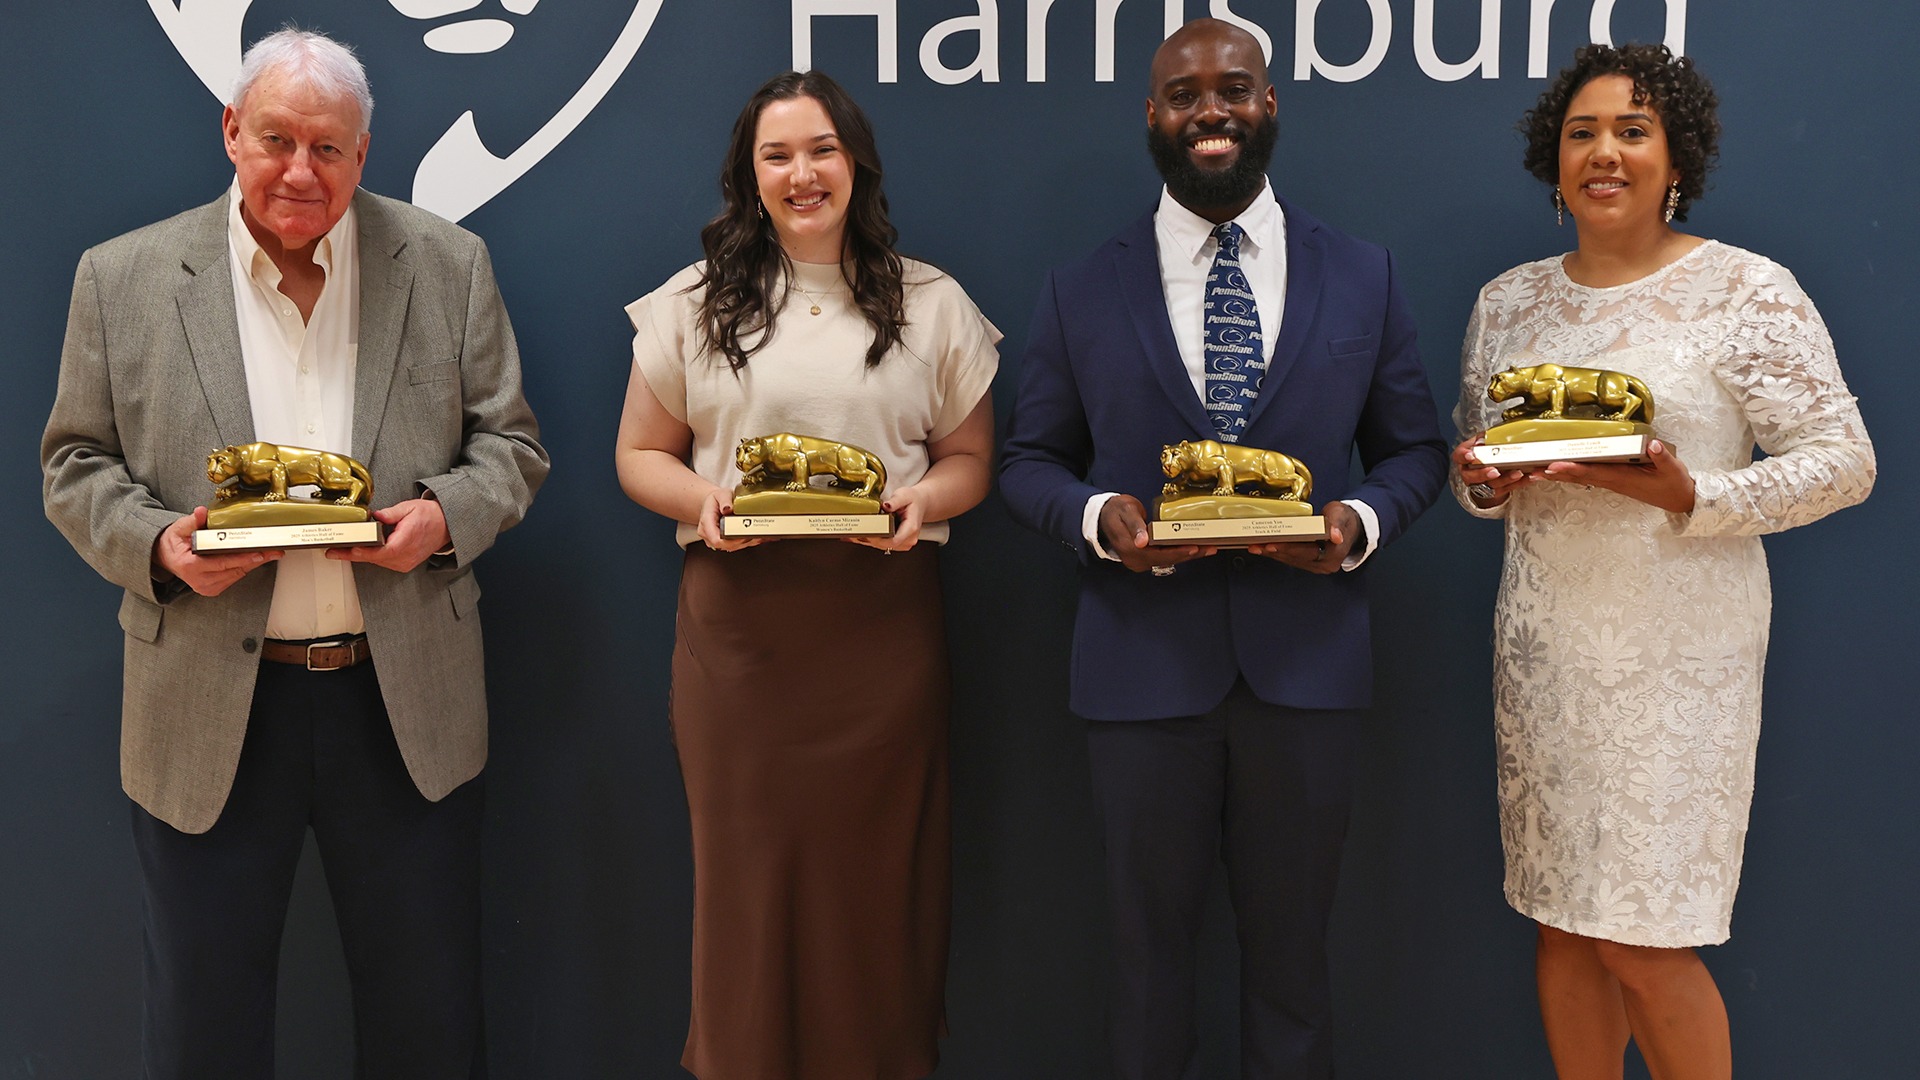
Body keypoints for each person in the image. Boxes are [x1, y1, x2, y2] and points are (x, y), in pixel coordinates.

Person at [40, 29, 547, 1079]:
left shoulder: (448, 265)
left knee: (429, 1022)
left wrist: (445, 519)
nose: (300, 172)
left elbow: (513, 446)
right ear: (232, 131)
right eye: (277, 139)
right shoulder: (122, 276)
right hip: (207, 706)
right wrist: (160, 546)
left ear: (365, 153)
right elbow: (75, 464)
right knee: (202, 1028)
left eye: (329, 148)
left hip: (403, 700)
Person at [999, 19, 1447, 1078]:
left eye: (1234, 89)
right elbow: (1027, 463)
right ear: (1151, 116)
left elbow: (1416, 451)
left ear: (1271, 104)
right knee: (1146, 969)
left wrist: (1359, 525)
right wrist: (1100, 521)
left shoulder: (1364, 276)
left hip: (1307, 670)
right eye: (1185, 95)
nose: (1211, 111)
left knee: (1294, 969)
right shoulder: (1079, 288)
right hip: (1140, 674)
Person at [1450, 42, 1874, 1080]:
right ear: (1553, 162)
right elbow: (1476, 467)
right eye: (1582, 133)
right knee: (1561, 923)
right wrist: (1481, 484)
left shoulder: (1746, 290)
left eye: (1632, 131)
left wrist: (1698, 495)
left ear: (1675, 157)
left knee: (1643, 934)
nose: (1605, 153)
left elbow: (1844, 463)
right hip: (1546, 648)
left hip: (1681, 660)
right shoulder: (1508, 303)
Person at [613, 69, 998, 1079]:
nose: (801, 172)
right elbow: (638, 455)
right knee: (749, 894)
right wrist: (703, 505)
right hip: (742, 647)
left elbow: (969, 461)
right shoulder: (691, 306)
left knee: (877, 896)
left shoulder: (933, 302)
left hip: (882, 638)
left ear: (855, 161)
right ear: (751, 175)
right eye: (776, 154)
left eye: (820, 149)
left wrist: (929, 502)